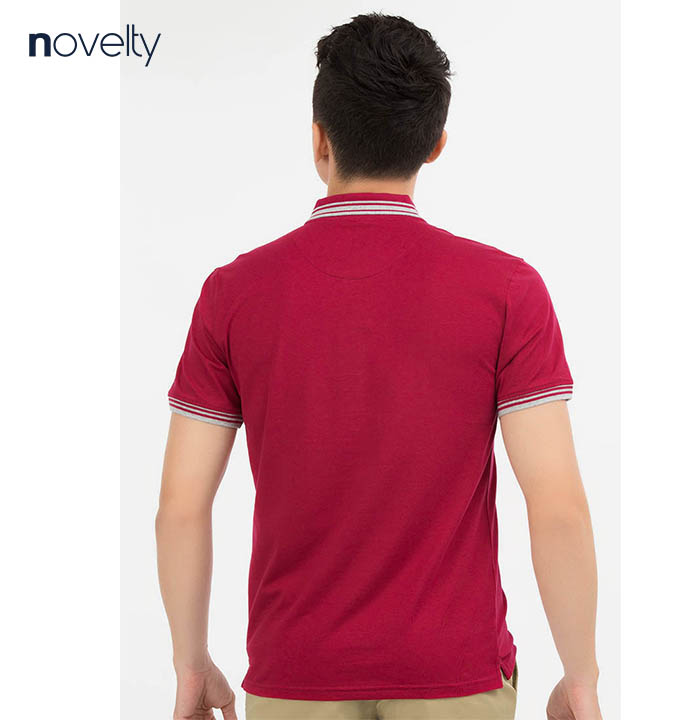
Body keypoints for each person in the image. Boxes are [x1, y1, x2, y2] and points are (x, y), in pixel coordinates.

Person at [156, 12, 603, 720]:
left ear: (319, 139)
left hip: (294, 672)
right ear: (436, 144)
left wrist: (190, 663)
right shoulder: (507, 291)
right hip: (454, 674)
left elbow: (180, 509)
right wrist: (581, 675)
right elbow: (557, 507)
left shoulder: (232, 294)